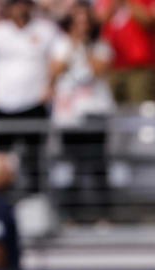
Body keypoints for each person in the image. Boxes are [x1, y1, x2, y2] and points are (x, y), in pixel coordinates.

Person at [0, 0, 61, 192]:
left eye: (24, 3)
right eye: (15, 4)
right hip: (3, 104)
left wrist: (50, 85)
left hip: (33, 103)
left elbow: (58, 58)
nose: (20, 8)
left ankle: (34, 200)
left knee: (34, 158)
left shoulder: (46, 29)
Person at [50, 3, 116, 221]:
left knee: (97, 164)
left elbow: (98, 70)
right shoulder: (60, 44)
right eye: (77, 23)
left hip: (94, 110)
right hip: (69, 114)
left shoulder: (100, 46)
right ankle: (71, 215)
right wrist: (72, 46)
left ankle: (103, 215)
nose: (81, 27)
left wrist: (85, 47)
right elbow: (54, 71)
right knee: (71, 166)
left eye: (85, 23)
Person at [95, 0, 155, 105]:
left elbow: (150, 20)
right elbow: (98, 20)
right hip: (115, 70)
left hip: (141, 70)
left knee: (142, 110)